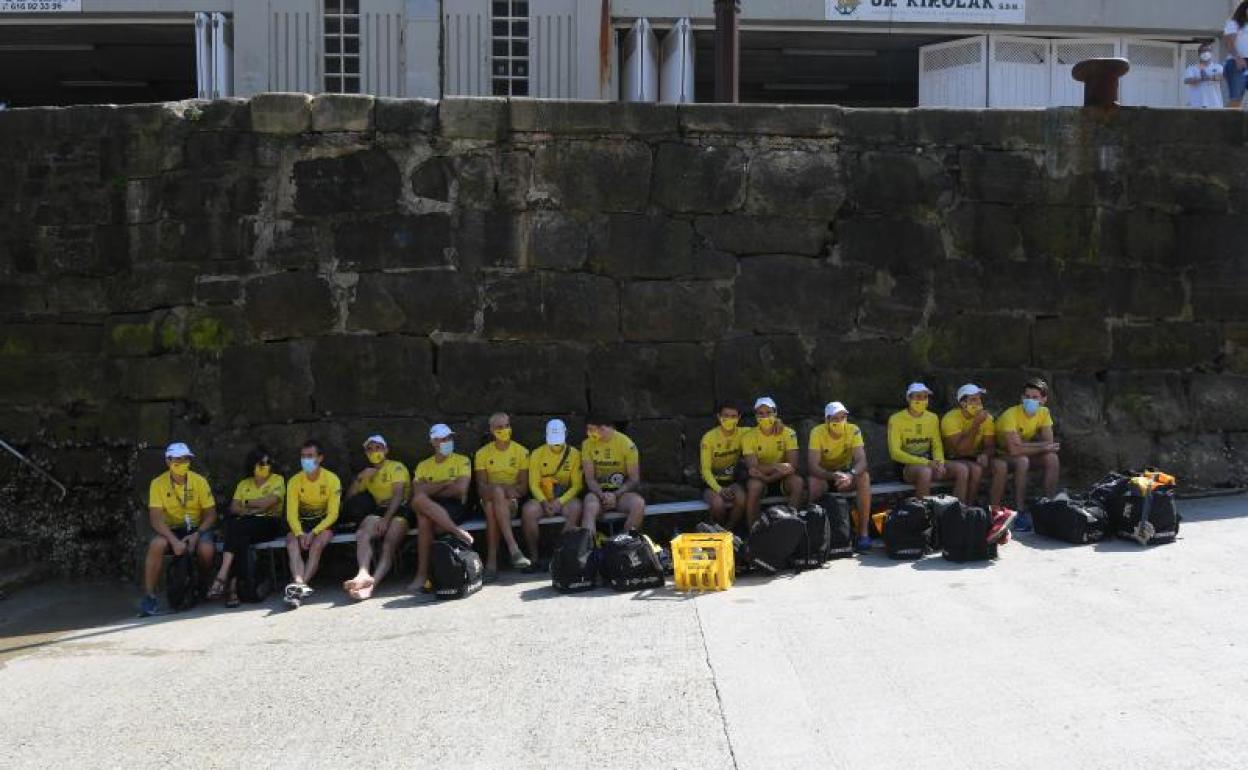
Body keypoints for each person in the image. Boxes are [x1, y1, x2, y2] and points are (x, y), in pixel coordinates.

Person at [139, 442, 217, 617]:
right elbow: (155, 518)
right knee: (156, 545)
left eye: (185, 459)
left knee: (206, 549)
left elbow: (211, 514)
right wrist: (173, 541)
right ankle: (149, 596)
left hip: (197, 527)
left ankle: (202, 582)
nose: (181, 463)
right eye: (177, 460)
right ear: (168, 461)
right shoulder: (157, 483)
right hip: (171, 529)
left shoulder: (199, 481)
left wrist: (197, 534)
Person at [207, 446, 284, 608]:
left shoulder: (277, 480)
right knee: (240, 537)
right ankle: (234, 586)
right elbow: (233, 508)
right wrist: (254, 508)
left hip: (269, 523)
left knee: (235, 527)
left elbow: (268, 504)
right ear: (252, 466)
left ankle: (223, 577)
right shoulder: (244, 484)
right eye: (261, 464)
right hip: (246, 525)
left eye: (268, 463)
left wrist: (247, 503)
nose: (265, 466)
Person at [342, 435, 412, 601]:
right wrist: (361, 478)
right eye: (370, 449)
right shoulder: (367, 473)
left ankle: (372, 585)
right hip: (379, 510)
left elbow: (398, 495)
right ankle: (363, 573)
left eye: (378, 447)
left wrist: (386, 519)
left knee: (388, 544)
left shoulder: (396, 467)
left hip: (400, 509)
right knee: (362, 534)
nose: (374, 451)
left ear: (386, 450)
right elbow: (348, 499)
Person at [408, 424, 475, 594]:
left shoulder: (462, 460)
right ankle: (456, 532)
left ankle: (423, 574)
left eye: (449, 438)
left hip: (455, 505)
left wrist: (431, 487)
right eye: (444, 439)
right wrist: (445, 483)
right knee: (421, 505)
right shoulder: (423, 465)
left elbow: (460, 490)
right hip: (430, 504)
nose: (448, 441)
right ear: (434, 442)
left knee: (425, 518)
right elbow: (417, 492)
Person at [991, 378, 1061, 532]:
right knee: (1022, 460)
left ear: (1043, 400)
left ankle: (1049, 506)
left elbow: (1049, 444)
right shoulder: (1010, 414)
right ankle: (1020, 510)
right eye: (1027, 396)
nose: (1029, 400)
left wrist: (1029, 446)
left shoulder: (1044, 412)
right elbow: (1014, 450)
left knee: (1052, 458)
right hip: (1000, 455)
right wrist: (1041, 446)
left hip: (1022, 452)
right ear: (1022, 398)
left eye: (1035, 397)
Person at [283, 439, 342, 608]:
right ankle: (299, 583)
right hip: (302, 522)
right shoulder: (294, 481)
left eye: (310, 456)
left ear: (320, 458)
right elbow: (291, 514)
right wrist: (300, 533)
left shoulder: (332, 479)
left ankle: (299, 587)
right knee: (291, 543)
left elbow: (333, 514)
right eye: (303, 456)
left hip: (323, 522)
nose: (306, 460)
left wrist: (315, 532)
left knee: (316, 545)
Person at [807, 401, 872, 551]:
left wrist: (850, 474)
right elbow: (812, 466)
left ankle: (863, 533)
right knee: (814, 483)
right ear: (826, 420)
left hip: (845, 477)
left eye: (842, 417)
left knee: (864, 477)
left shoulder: (853, 430)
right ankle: (813, 533)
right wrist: (831, 475)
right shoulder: (817, 432)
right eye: (835, 418)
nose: (839, 421)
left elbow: (862, 461)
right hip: (824, 476)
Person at [520, 419, 584, 572]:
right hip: (543, 496)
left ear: (566, 434)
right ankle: (534, 559)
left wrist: (560, 501)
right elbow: (533, 484)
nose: (556, 444)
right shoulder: (536, 454)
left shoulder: (575, 454)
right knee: (528, 511)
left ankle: (559, 554)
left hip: (564, 497)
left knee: (576, 507)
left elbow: (577, 485)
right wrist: (544, 502)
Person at [474, 412, 532, 579]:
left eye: (507, 426)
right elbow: (482, 488)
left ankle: (491, 563)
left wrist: (500, 490)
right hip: (489, 499)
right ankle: (513, 548)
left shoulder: (522, 452)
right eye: (499, 427)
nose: (504, 430)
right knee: (494, 498)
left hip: (511, 503)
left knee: (493, 505)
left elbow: (522, 489)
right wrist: (501, 489)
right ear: (492, 430)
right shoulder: (482, 454)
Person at [888, 383, 967, 499]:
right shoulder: (896, 419)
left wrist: (939, 462)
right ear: (908, 398)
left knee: (962, 470)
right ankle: (923, 512)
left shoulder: (932, 417)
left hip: (929, 461)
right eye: (918, 397)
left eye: (925, 397)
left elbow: (936, 444)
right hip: (906, 465)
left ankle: (959, 510)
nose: (922, 400)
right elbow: (895, 453)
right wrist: (926, 462)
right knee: (925, 472)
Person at [741, 396, 803, 525]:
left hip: (781, 478)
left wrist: (770, 476)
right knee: (754, 486)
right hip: (760, 478)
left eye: (769, 412)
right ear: (755, 416)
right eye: (761, 413)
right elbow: (753, 467)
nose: (765, 416)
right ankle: (754, 532)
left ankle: (791, 526)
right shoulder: (748, 436)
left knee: (797, 482)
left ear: (775, 413)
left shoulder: (789, 433)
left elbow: (792, 465)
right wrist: (777, 466)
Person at [581, 416, 647, 532]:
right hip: (597, 493)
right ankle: (588, 547)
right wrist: (602, 495)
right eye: (588, 430)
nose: (589, 433)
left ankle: (626, 543)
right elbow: (590, 479)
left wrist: (615, 495)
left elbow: (634, 479)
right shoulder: (587, 444)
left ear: (603, 428)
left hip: (621, 493)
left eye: (591, 430)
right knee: (590, 506)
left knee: (638, 504)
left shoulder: (627, 444)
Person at [939, 384, 997, 506]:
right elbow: (960, 451)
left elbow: (990, 446)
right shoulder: (950, 418)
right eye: (973, 399)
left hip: (971, 457)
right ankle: (956, 509)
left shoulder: (987, 418)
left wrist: (985, 454)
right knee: (966, 469)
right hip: (952, 457)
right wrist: (975, 425)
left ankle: (969, 508)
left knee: (979, 468)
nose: (978, 403)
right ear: (963, 403)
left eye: (979, 399)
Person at [699, 402, 747, 531]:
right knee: (717, 504)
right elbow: (705, 470)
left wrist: (778, 422)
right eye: (726, 415)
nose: (730, 419)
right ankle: (721, 530)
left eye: (733, 416)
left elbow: (762, 430)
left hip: (733, 481)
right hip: (711, 483)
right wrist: (719, 490)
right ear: (718, 417)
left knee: (742, 499)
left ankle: (729, 531)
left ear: (739, 417)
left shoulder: (745, 433)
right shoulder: (708, 437)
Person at [1184, 41, 1224, 109]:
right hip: (1196, 104)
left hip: (1214, 104)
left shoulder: (1218, 67)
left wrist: (1208, 77)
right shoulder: (1192, 68)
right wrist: (1201, 78)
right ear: (1199, 54)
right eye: (1203, 51)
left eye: (1208, 50)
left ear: (1211, 53)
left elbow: (1222, 77)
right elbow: (1186, 80)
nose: (1205, 53)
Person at [1225, 3, 1248, 108]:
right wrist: (1237, 58)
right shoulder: (1233, 23)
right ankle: (1226, 123)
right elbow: (1230, 44)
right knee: (1236, 99)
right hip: (1237, 63)